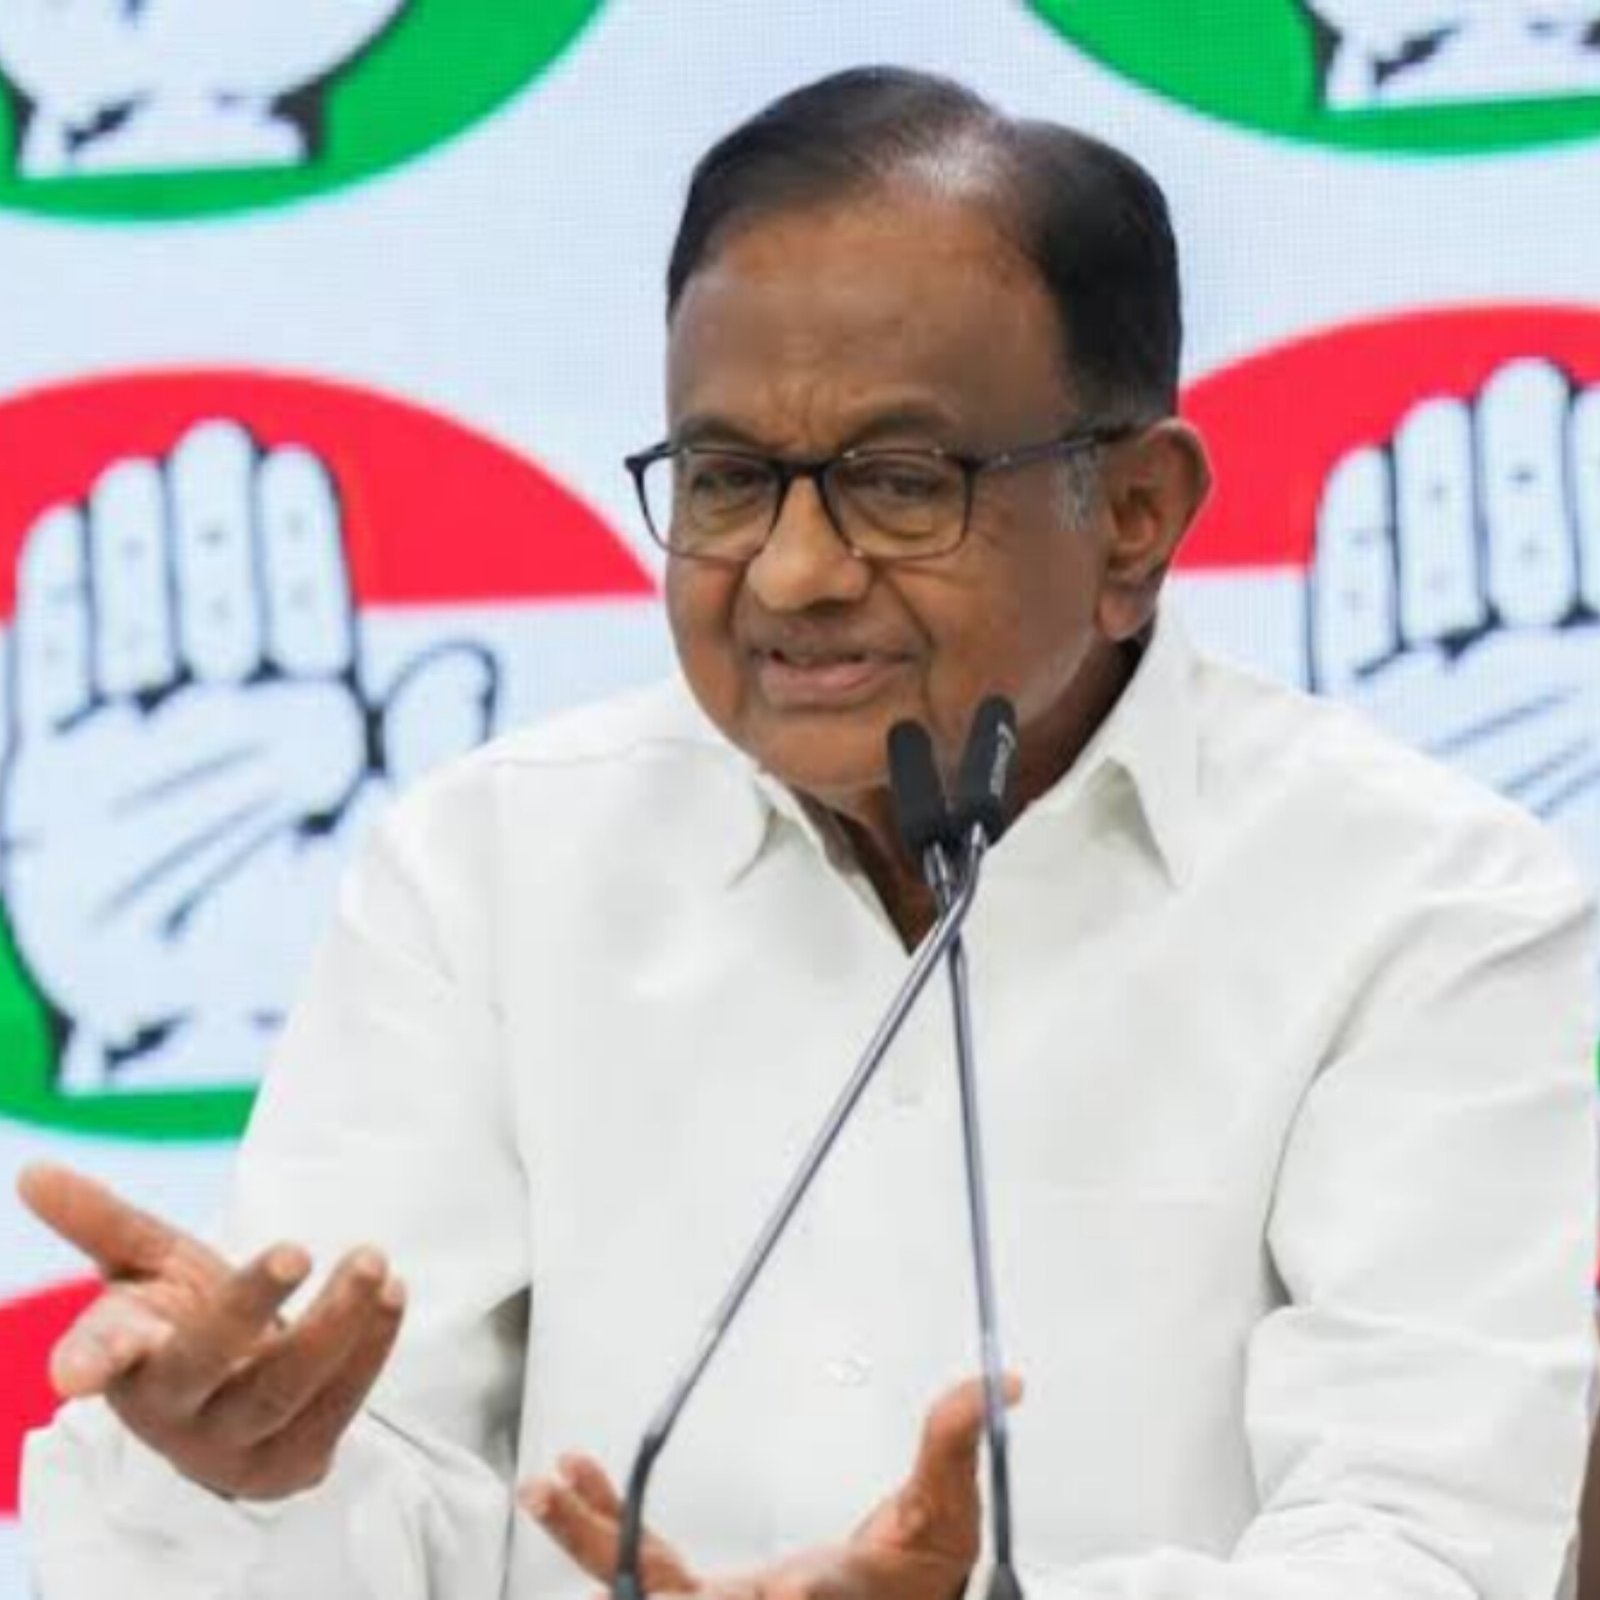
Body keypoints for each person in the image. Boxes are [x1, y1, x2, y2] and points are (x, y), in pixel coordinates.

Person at [15, 65, 1599, 1600]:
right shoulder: (488, 871)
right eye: (728, 481)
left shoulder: (1417, 901)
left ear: (1134, 516)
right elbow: (379, 1494)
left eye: (899, 483)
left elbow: (1429, 1550)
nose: (790, 573)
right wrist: (233, 1476)